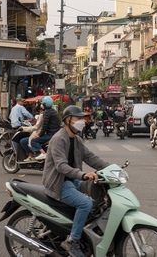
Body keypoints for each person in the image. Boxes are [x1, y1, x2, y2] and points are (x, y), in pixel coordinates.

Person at [42, 105, 110, 257]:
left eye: (82, 118)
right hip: (59, 183)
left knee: (98, 197)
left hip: (72, 181)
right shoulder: (58, 139)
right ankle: (72, 241)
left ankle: (82, 231)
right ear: (67, 120)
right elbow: (61, 166)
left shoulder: (77, 140)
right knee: (85, 203)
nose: (82, 121)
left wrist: (112, 168)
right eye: (78, 118)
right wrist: (83, 175)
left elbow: (91, 158)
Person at [23, 96, 60, 161]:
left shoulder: (46, 113)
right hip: (55, 133)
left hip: (50, 134)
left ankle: (43, 153)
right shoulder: (53, 111)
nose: (41, 105)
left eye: (42, 104)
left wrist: (39, 135)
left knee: (34, 141)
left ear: (45, 104)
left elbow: (44, 126)